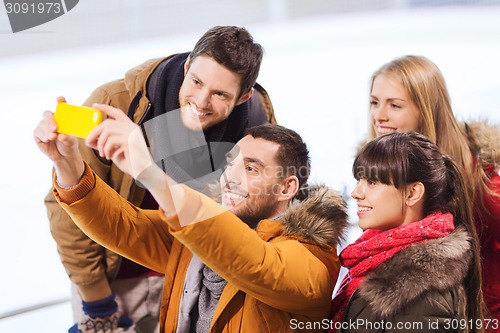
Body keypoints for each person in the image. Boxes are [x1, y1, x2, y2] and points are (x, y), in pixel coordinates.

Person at [34, 99, 349, 332]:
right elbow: (123, 227)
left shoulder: (312, 261)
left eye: (251, 167)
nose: (231, 177)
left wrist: (149, 172)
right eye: (231, 162)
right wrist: (68, 163)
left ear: (287, 187)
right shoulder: (196, 236)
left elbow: (251, 259)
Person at [44, 26, 276, 332]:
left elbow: (259, 209)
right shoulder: (115, 102)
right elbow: (66, 202)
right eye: (195, 81)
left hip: (193, 281)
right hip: (115, 282)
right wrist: (95, 295)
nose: (201, 101)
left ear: (244, 96)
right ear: (186, 67)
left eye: (220, 94)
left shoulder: (256, 123)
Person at [368, 55, 499, 331]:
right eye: (374, 102)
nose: (379, 115)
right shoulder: (377, 173)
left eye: (394, 105)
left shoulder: (481, 178)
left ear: (425, 109)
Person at [329, 132, 484, 333]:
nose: (356, 192)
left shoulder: (422, 292)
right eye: (359, 179)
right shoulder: (375, 260)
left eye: (372, 182)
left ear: (412, 193)